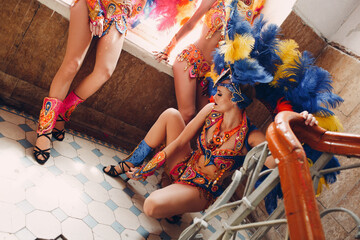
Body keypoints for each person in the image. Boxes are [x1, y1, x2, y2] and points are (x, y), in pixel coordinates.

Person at [33, 0, 145, 164]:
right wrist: (95, 10)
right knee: (72, 64)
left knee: (104, 72)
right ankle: (44, 128)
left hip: (119, 15)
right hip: (92, 3)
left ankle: (62, 115)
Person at [153, 0, 264, 124]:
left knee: (206, 122)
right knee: (187, 114)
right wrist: (168, 49)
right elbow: (191, 23)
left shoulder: (248, 12)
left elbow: (239, 50)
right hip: (190, 60)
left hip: (210, 75)